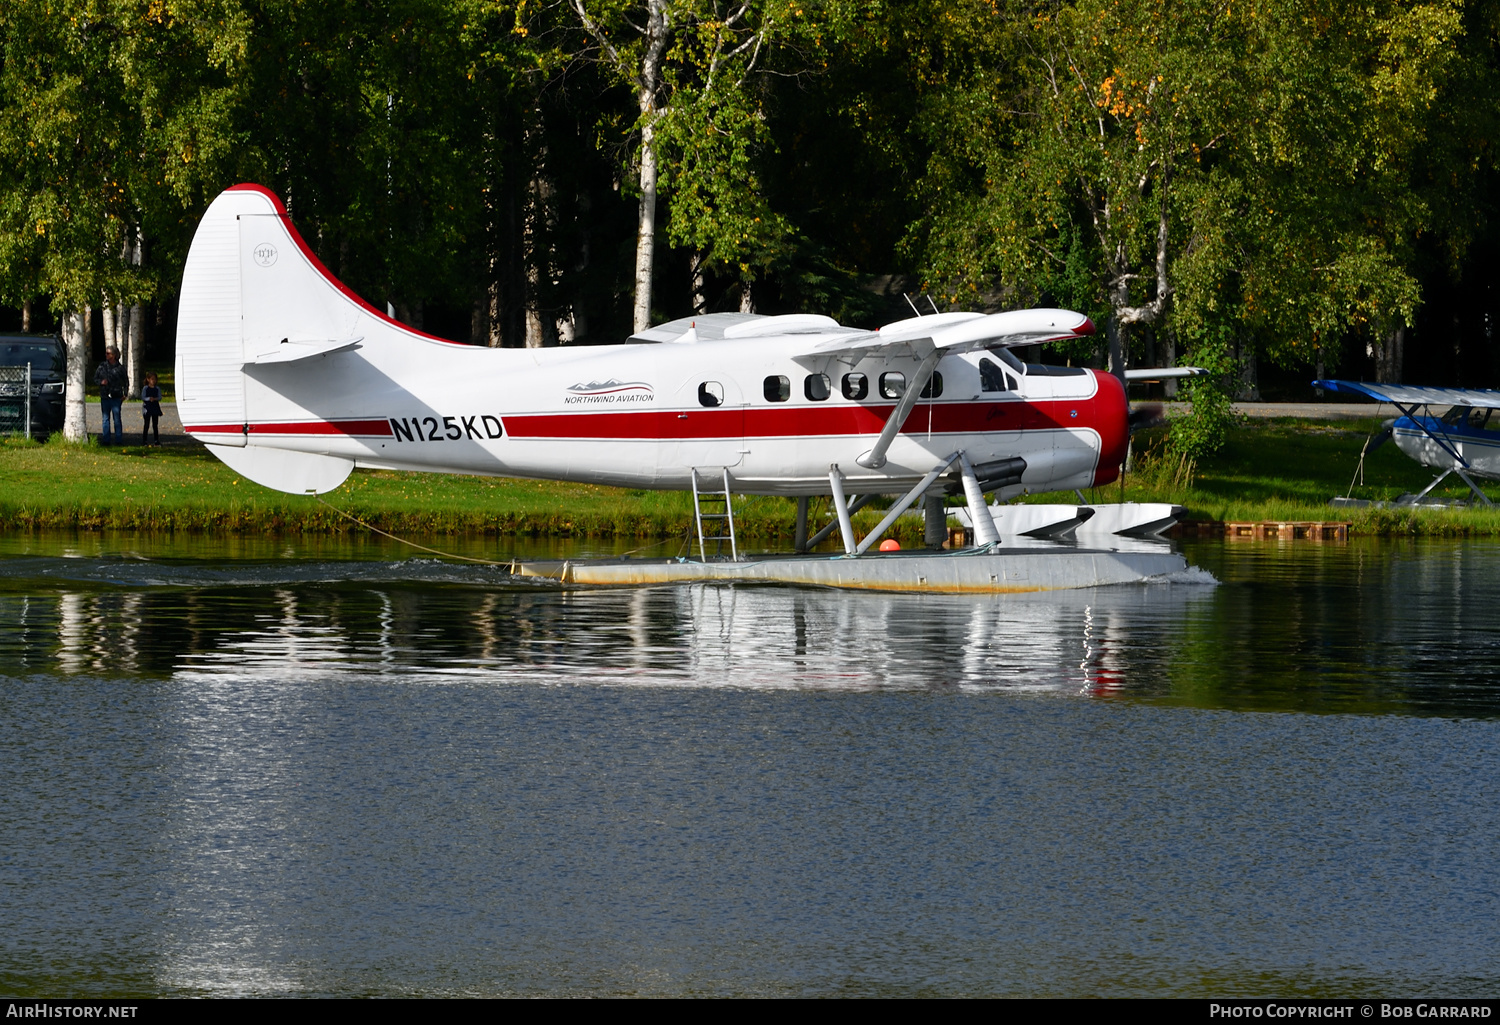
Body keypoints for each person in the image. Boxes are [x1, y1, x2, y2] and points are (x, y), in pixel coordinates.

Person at [94, 345, 128, 446]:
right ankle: (106, 440)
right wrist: (101, 382)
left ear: (114, 355)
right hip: (105, 396)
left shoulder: (120, 368)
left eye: (108, 353)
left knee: (117, 419)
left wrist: (125, 394)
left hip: (116, 396)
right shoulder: (102, 366)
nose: (106, 355)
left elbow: (126, 381)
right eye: (106, 353)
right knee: (105, 419)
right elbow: (95, 378)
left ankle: (118, 440)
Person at [141, 371, 162, 446]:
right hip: (147, 408)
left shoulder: (157, 388)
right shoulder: (145, 388)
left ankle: (156, 440)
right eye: (152, 379)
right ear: (148, 379)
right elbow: (143, 397)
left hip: (155, 407)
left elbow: (160, 397)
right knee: (146, 424)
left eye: (154, 379)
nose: (153, 381)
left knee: (155, 424)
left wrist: (155, 399)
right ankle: (144, 440)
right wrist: (149, 399)